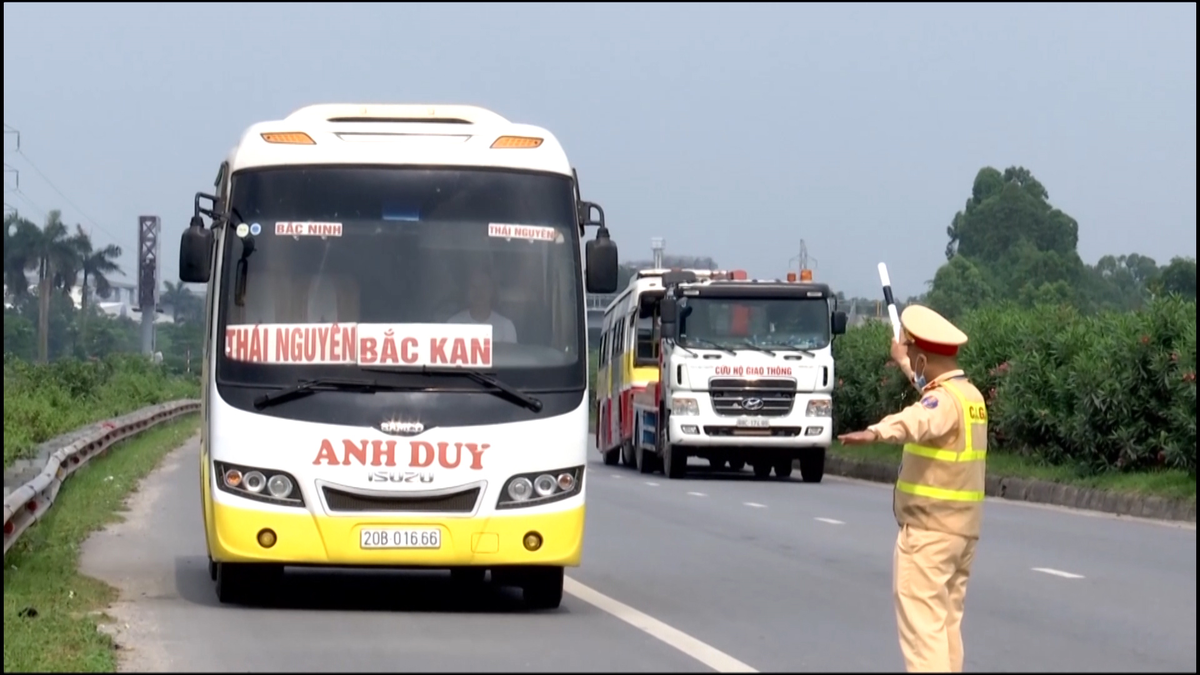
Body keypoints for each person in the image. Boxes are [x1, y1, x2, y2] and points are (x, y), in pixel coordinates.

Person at [838, 304, 988, 674]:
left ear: (924, 358)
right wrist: (904, 362)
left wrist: (875, 432)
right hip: (961, 535)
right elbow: (929, 395)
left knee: (923, 636)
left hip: (929, 535)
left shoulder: (942, 402)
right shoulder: (969, 396)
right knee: (945, 628)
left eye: (912, 353)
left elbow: (919, 417)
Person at [447, 267, 518, 343]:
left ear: (492, 290)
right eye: (474, 287)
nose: (479, 292)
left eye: (484, 287)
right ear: (467, 291)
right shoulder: (453, 324)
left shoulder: (506, 327)